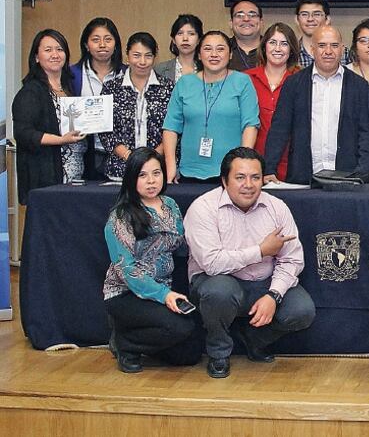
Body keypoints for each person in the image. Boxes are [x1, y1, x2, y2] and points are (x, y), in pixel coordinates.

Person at [185, 147, 316, 379]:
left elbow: (292, 260)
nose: (249, 184)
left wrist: (273, 295)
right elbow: (212, 263)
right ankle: (218, 352)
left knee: (302, 310)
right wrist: (261, 251)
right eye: (240, 177)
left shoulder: (276, 207)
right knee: (219, 291)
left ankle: (253, 340)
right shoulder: (203, 208)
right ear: (224, 181)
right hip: (218, 282)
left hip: (263, 283)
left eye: (255, 177)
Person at [103, 148, 200, 373]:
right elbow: (128, 271)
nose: (151, 181)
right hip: (126, 294)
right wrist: (164, 295)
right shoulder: (120, 217)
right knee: (179, 328)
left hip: (163, 290)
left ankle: (138, 343)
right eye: (142, 175)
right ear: (131, 178)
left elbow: (181, 245)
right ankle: (125, 345)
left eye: (156, 173)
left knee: (190, 353)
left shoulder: (170, 205)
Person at [263, 25, 369, 185]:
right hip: (302, 177)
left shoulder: (360, 86)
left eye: (334, 45)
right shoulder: (294, 83)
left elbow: (367, 135)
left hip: (348, 179)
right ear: (312, 49)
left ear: (342, 49)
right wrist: (269, 169)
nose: (328, 51)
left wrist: (362, 174)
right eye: (322, 45)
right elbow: (279, 129)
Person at [162, 31, 259, 182]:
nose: (214, 54)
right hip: (189, 171)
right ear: (199, 54)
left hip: (231, 173)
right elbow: (171, 127)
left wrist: (243, 165)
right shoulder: (184, 83)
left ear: (230, 54)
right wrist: (171, 166)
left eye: (220, 49)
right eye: (207, 49)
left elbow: (250, 125)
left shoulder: (242, 81)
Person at [12, 29, 86, 204]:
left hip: (76, 177)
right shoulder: (30, 92)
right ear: (36, 57)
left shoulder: (70, 88)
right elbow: (24, 133)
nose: (55, 54)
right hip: (47, 177)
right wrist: (61, 140)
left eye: (59, 49)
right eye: (48, 50)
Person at [98, 33, 175, 180]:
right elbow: (105, 129)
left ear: (155, 57)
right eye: (136, 55)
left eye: (148, 56)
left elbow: (174, 127)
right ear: (127, 56)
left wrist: (151, 158)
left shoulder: (168, 88)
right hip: (120, 171)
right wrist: (129, 156)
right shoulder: (111, 88)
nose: (142, 61)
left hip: (158, 171)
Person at [246, 23, 300, 182]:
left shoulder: (302, 79)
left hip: (292, 162)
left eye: (284, 43)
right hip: (252, 160)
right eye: (272, 42)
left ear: (291, 50)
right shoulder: (245, 79)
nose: (278, 48)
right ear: (264, 47)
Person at [71, 17, 124, 178]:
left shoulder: (127, 74)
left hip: (122, 152)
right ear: (86, 45)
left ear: (115, 45)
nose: (102, 45)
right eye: (96, 40)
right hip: (85, 152)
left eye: (108, 39)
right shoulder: (72, 75)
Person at [155, 14, 203, 84]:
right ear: (173, 39)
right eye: (180, 33)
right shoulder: (160, 69)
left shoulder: (208, 68)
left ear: (199, 39)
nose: (185, 38)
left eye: (191, 34)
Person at [294, 0, 331, 69]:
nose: (310, 19)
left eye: (317, 14)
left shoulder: (343, 53)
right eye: (304, 14)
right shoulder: (290, 53)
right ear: (297, 20)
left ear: (327, 19)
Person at [228, 0, 263, 71]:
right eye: (240, 15)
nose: (246, 19)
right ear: (231, 23)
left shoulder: (273, 49)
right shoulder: (222, 50)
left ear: (261, 22)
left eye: (252, 15)